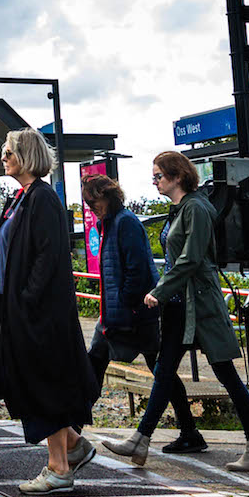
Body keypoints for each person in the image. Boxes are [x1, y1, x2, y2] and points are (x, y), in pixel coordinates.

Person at [104, 151, 249, 472]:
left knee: (226, 374)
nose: (155, 181)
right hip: (182, 306)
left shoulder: (196, 208)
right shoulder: (182, 209)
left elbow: (191, 259)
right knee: (164, 371)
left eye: (159, 176)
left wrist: (159, 292)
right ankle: (141, 439)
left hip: (200, 305)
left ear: (178, 176)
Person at [0, 129, 98, 495]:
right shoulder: (19, 198)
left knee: (44, 385)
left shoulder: (43, 199)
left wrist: (27, 298)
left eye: (8, 151)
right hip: (17, 308)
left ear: (26, 155)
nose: (3, 157)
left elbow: (48, 256)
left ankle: (59, 468)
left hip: (39, 313)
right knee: (31, 382)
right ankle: (73, 444)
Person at [84, 174, 203, 454]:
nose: (91, 208)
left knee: (159, 371)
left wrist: (126, 303)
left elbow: (137, 270)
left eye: (94, 201)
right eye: (88, 204)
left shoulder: (124, 223)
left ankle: (74, 429)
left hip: (134, 313)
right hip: (125, 312)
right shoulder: (111, 223)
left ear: (108, 196)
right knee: (103, 362)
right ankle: (75, 426)